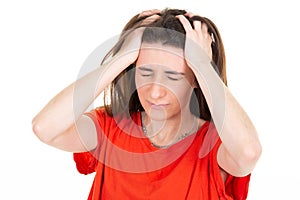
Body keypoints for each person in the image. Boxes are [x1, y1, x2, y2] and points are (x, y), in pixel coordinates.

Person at [32, 8, 262, 200]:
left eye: (173, 77)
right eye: (145, 72)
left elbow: (249, 152)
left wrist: (202, 63)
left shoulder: (215, 145)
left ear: (196, 80)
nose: (154, 92)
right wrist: (121, 57)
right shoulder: (110, 129)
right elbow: (45, 128)